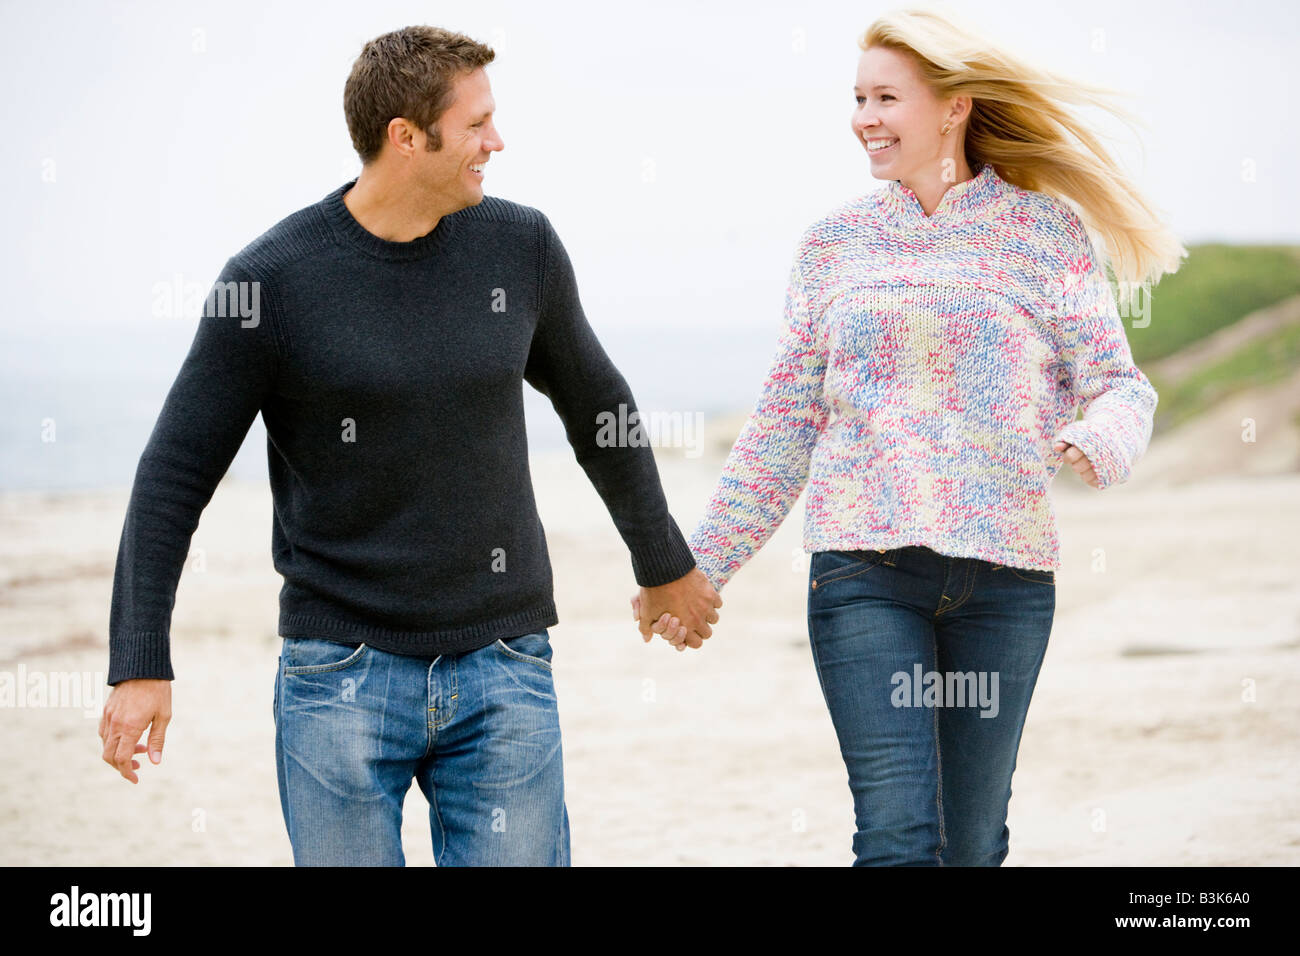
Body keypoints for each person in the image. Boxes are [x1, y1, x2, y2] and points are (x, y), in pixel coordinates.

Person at [98, 24, 721, 866]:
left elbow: (597, 405)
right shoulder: (270, 284)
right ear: (405, 137)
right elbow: (175, 473)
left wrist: (663, 562)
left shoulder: (520, 246)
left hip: (504, 663)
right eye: (476, 125)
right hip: (338, 677)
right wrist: (140, 661)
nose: (496, 141)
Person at [636, 7, 1185, 865]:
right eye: (858, 98)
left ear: (955, 106)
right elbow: (784, 424)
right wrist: (693, 567)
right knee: (896, 838)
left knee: (970, 844)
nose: (864, 118)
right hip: (863, 576)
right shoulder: (833, 246)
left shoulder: (1043, 234)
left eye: (886, 97)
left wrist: (1100, 438)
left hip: (1006, 580)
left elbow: (1119, 382)